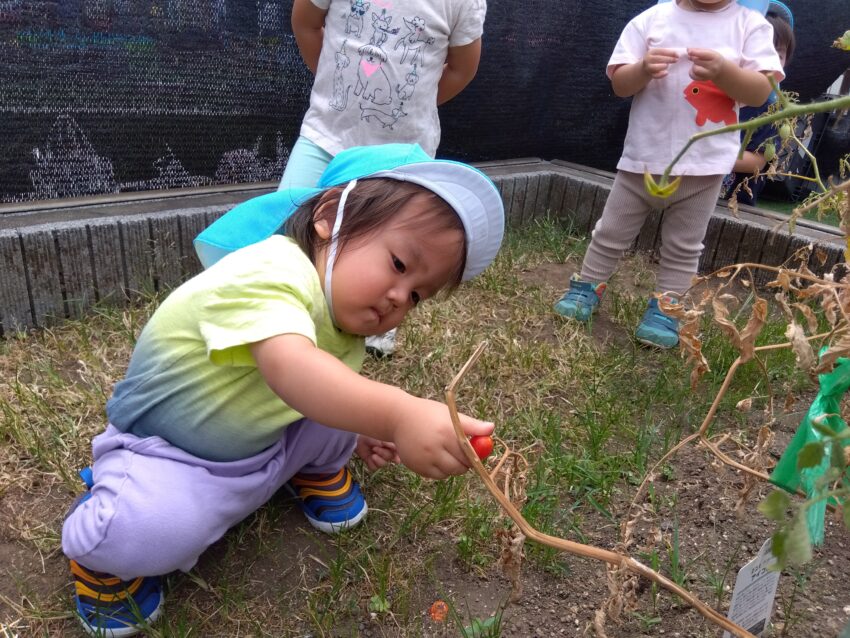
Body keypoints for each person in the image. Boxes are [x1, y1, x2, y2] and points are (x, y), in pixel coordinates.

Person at [62, 143, 504, 636]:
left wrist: (359, 431)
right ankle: (104, 551)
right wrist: (398, 415)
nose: (401, 297)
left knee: (345, 401)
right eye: (400, 264)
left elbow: (322, 392)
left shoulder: (343, 319)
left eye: (418, 295)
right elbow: (293, 371)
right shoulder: (270, 270)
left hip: (259, 437)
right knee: (146, 529)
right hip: (170, 450)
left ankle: (307, 471)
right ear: (329, 216)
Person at [553, 0, 784, 349]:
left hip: (704, 167)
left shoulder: (750, 26)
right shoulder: (652, 20)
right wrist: (643, 68)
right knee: (611, 231)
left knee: (684, 246)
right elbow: (620, 84)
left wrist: (724, 71)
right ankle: (587, 287)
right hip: (644, 159)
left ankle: (667, 307)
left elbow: (760, 91)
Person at [283, 0, 487, 357]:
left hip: (402, 157)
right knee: (287, 225)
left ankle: (372, 332)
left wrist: (417, 103)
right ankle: (284, 314)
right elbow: (305, 22)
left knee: (400, 247)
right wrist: (331, 81)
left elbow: (462, 68)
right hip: (326, 137)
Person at [722, 1, 796, 206]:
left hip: (735, 202)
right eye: (760, 50)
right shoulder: (716, 93)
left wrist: (705, 156)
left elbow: (757, 161)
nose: (768, 61)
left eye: (778, 54)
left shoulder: (774, 109)